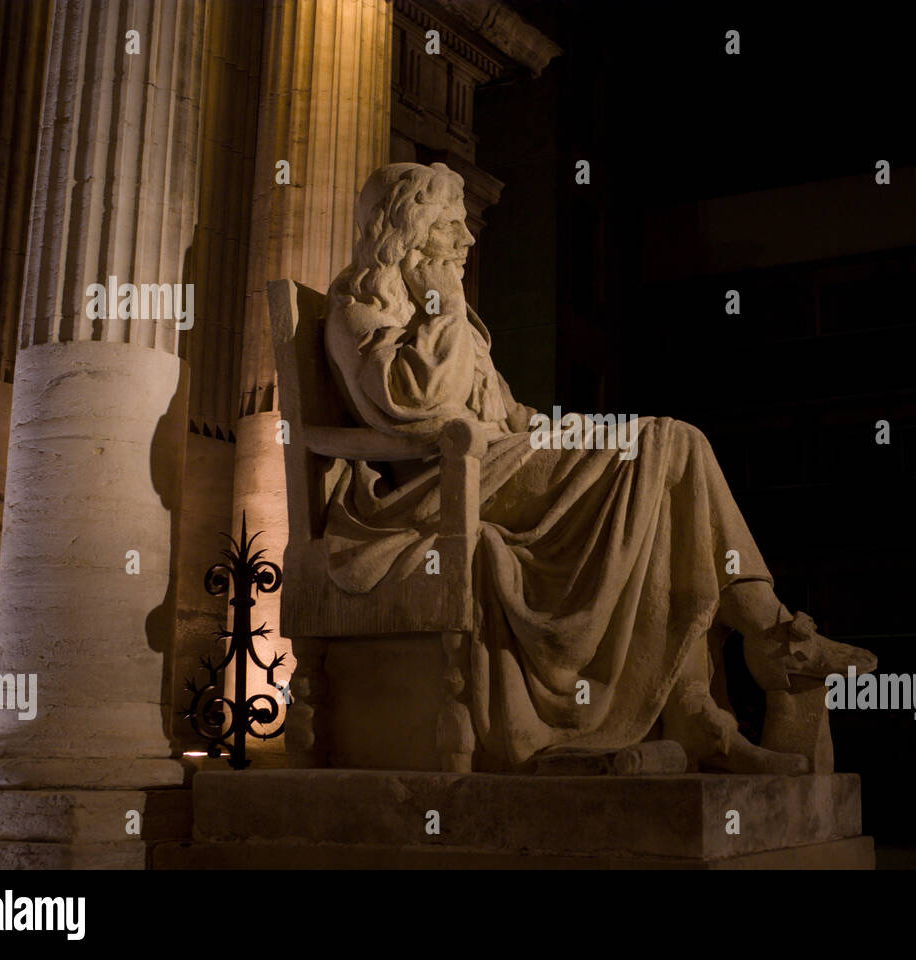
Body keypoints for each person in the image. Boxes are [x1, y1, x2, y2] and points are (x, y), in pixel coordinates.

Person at [322, 162, 876, 773]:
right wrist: (443, 305)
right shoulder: (360, 310)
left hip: (497, 462)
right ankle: (773, 641)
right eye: (454, 224)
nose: (468, 240)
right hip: (439, 486)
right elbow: (414, 406)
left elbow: (509, 413)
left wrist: (576, 430)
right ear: (413, 228)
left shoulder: (448, 319)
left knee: (664, 466)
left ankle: (702, 713)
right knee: (666, 447)